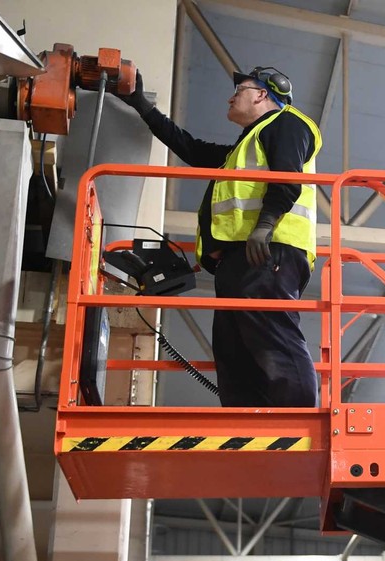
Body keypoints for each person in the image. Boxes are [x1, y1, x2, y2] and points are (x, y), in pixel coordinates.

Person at [118, 66, 321, 408]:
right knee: (234, 349)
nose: (230, 96)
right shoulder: (240, 151)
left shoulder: (287, 124)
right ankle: (246, 424)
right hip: (240, 258)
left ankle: (298, 421)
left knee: (271, 337)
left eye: (239, 89)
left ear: (262, 94)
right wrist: (142, 106)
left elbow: (288, 177)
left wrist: (265, 225)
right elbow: (191, 148)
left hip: (269, 251)